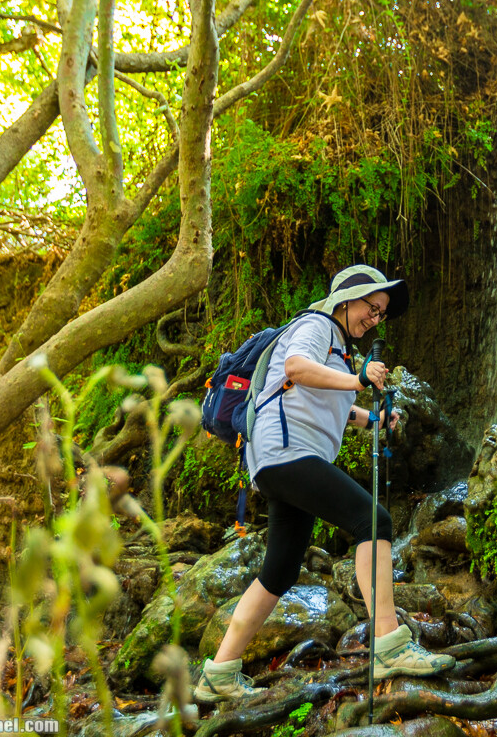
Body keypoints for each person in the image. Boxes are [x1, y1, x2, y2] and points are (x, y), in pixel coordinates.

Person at [194, 265, 455, 703]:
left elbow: (323, 398)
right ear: (345, 299)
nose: (374, 318)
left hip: (287, 459)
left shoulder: (339, 350)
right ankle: (390, 646)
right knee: (373, 521)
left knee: (279, 571)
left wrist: (371, 417)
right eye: (371, 307)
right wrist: (358, 380)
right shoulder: (317, 326)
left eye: (381, 314)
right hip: (286, 452)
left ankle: (219, 673)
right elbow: (296, 367)